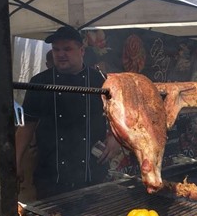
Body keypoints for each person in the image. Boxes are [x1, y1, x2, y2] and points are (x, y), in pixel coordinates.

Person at [16, 25, 120, 198]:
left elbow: (119, 116)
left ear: (82, 51)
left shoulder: (102, 82)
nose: (60, 54)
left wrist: (116, 138)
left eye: (67, 49)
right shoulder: (39, 82)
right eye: (56, 49)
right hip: (50, 177)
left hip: (92, 174)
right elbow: (27, 125)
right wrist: (16, 161)